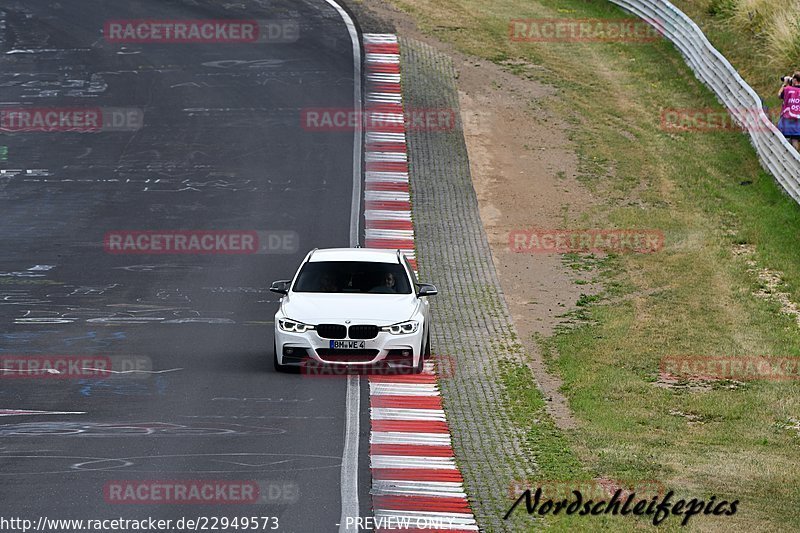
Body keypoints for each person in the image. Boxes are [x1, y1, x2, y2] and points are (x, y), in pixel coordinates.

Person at [778, 72, 800, 150]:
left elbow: (779, 95)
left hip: (788, 119)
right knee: (795, 139)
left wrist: (784, 84)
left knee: (787, 139)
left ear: (794, 80)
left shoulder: (787, 89)